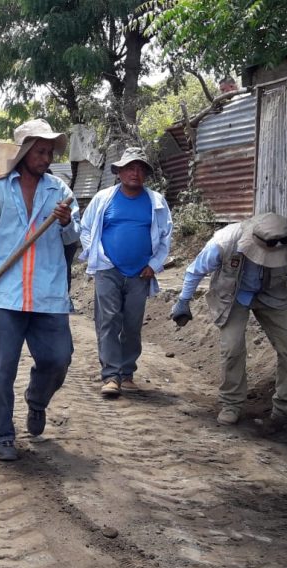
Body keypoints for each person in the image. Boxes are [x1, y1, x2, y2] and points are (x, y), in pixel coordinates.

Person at [0, 118, 81, 461]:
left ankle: (37, 400)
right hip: (5, 293)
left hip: (48, 292)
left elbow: (74, 240)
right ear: (25, 152)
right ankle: (2, 435)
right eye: (41, 151)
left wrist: (66, 223)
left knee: (58, 358)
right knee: (3, 370)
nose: (46, 157)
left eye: (50, 152)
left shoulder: (60, 191)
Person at [170, 212, 287, 428]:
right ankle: (231, 404)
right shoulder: (225, 241)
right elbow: (194, 271)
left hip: (271, 293)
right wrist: (183, 301)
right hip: (232, 295)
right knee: (232, 348)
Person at [79, 147, 173, 398]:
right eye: (130, 168)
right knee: (108, 321)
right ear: (119, 171)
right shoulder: (103, 199)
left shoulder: (156, 202)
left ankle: (127, 372)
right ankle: (111, 376)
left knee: (131, 324)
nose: (135, 173)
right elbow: (86, 230)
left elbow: (165, 237)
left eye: (141, 169)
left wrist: (154, 265)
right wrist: (98, 255)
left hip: (140, 274)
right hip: (107, 270)